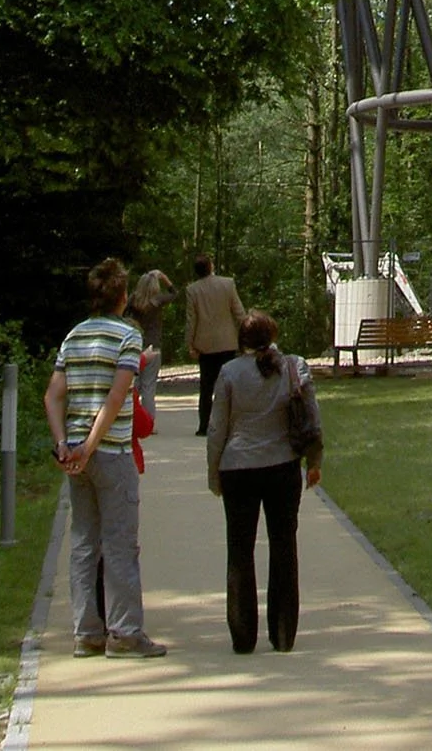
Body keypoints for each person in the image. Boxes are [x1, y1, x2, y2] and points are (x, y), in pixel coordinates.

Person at [43, 258, 167, 659]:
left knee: (83, 542)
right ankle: (126, 632)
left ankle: (86, 632)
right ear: (123, 297)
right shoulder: (127, 337)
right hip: (109, 451)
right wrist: (91, 445)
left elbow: (53, 395)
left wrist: (65, 444)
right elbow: (117, 397)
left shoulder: (73, 337)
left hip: (76, 456)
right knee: (119, 544)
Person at [206, 310, 322, 654]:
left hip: (238, 467)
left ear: (241, 341)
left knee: (239, 551)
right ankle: (284, 633)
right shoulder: (294, 366)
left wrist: (214, 473)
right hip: (283, 466)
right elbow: (312, 416)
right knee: (284, 547)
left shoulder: (228, 373)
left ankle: (243, 636)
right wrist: (314, 462)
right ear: (273, 335)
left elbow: (217, 429)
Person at [185, 253, 245, 436]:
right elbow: (239, 312)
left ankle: (204, 425)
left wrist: (190, 344)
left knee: (206, 387)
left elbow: (191, 319)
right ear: (210, 266)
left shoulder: (193, 290)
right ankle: (230, 425)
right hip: (227, 343)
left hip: (205, 345)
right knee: (229, 386)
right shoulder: (227, 284)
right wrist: (246, 335)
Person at [127, 268, 176, 427]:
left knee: (134, 384)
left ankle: (130, 417)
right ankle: (148, 422)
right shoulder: (158, 300)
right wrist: (165, 278)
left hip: (135, 344)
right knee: (149, 386)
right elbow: (175, 293)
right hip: (153, 346)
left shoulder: (133, 301)